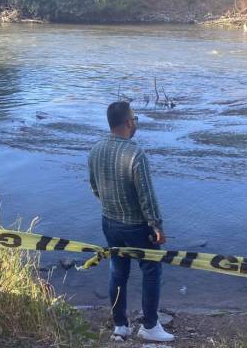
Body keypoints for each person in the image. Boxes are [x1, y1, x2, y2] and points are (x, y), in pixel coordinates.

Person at [88, 101, 174, 342]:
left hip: (109, 221)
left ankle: (120, 326)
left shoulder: (95, 150)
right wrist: (156, 225)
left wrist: (110, 206)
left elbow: (94, 187)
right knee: (151, 271)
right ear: (128, 122)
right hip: (137, 226)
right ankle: (150, 326)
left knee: (118, 272)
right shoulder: (136, 154)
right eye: (134, 119)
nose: (135, 123)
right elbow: (146, 196)